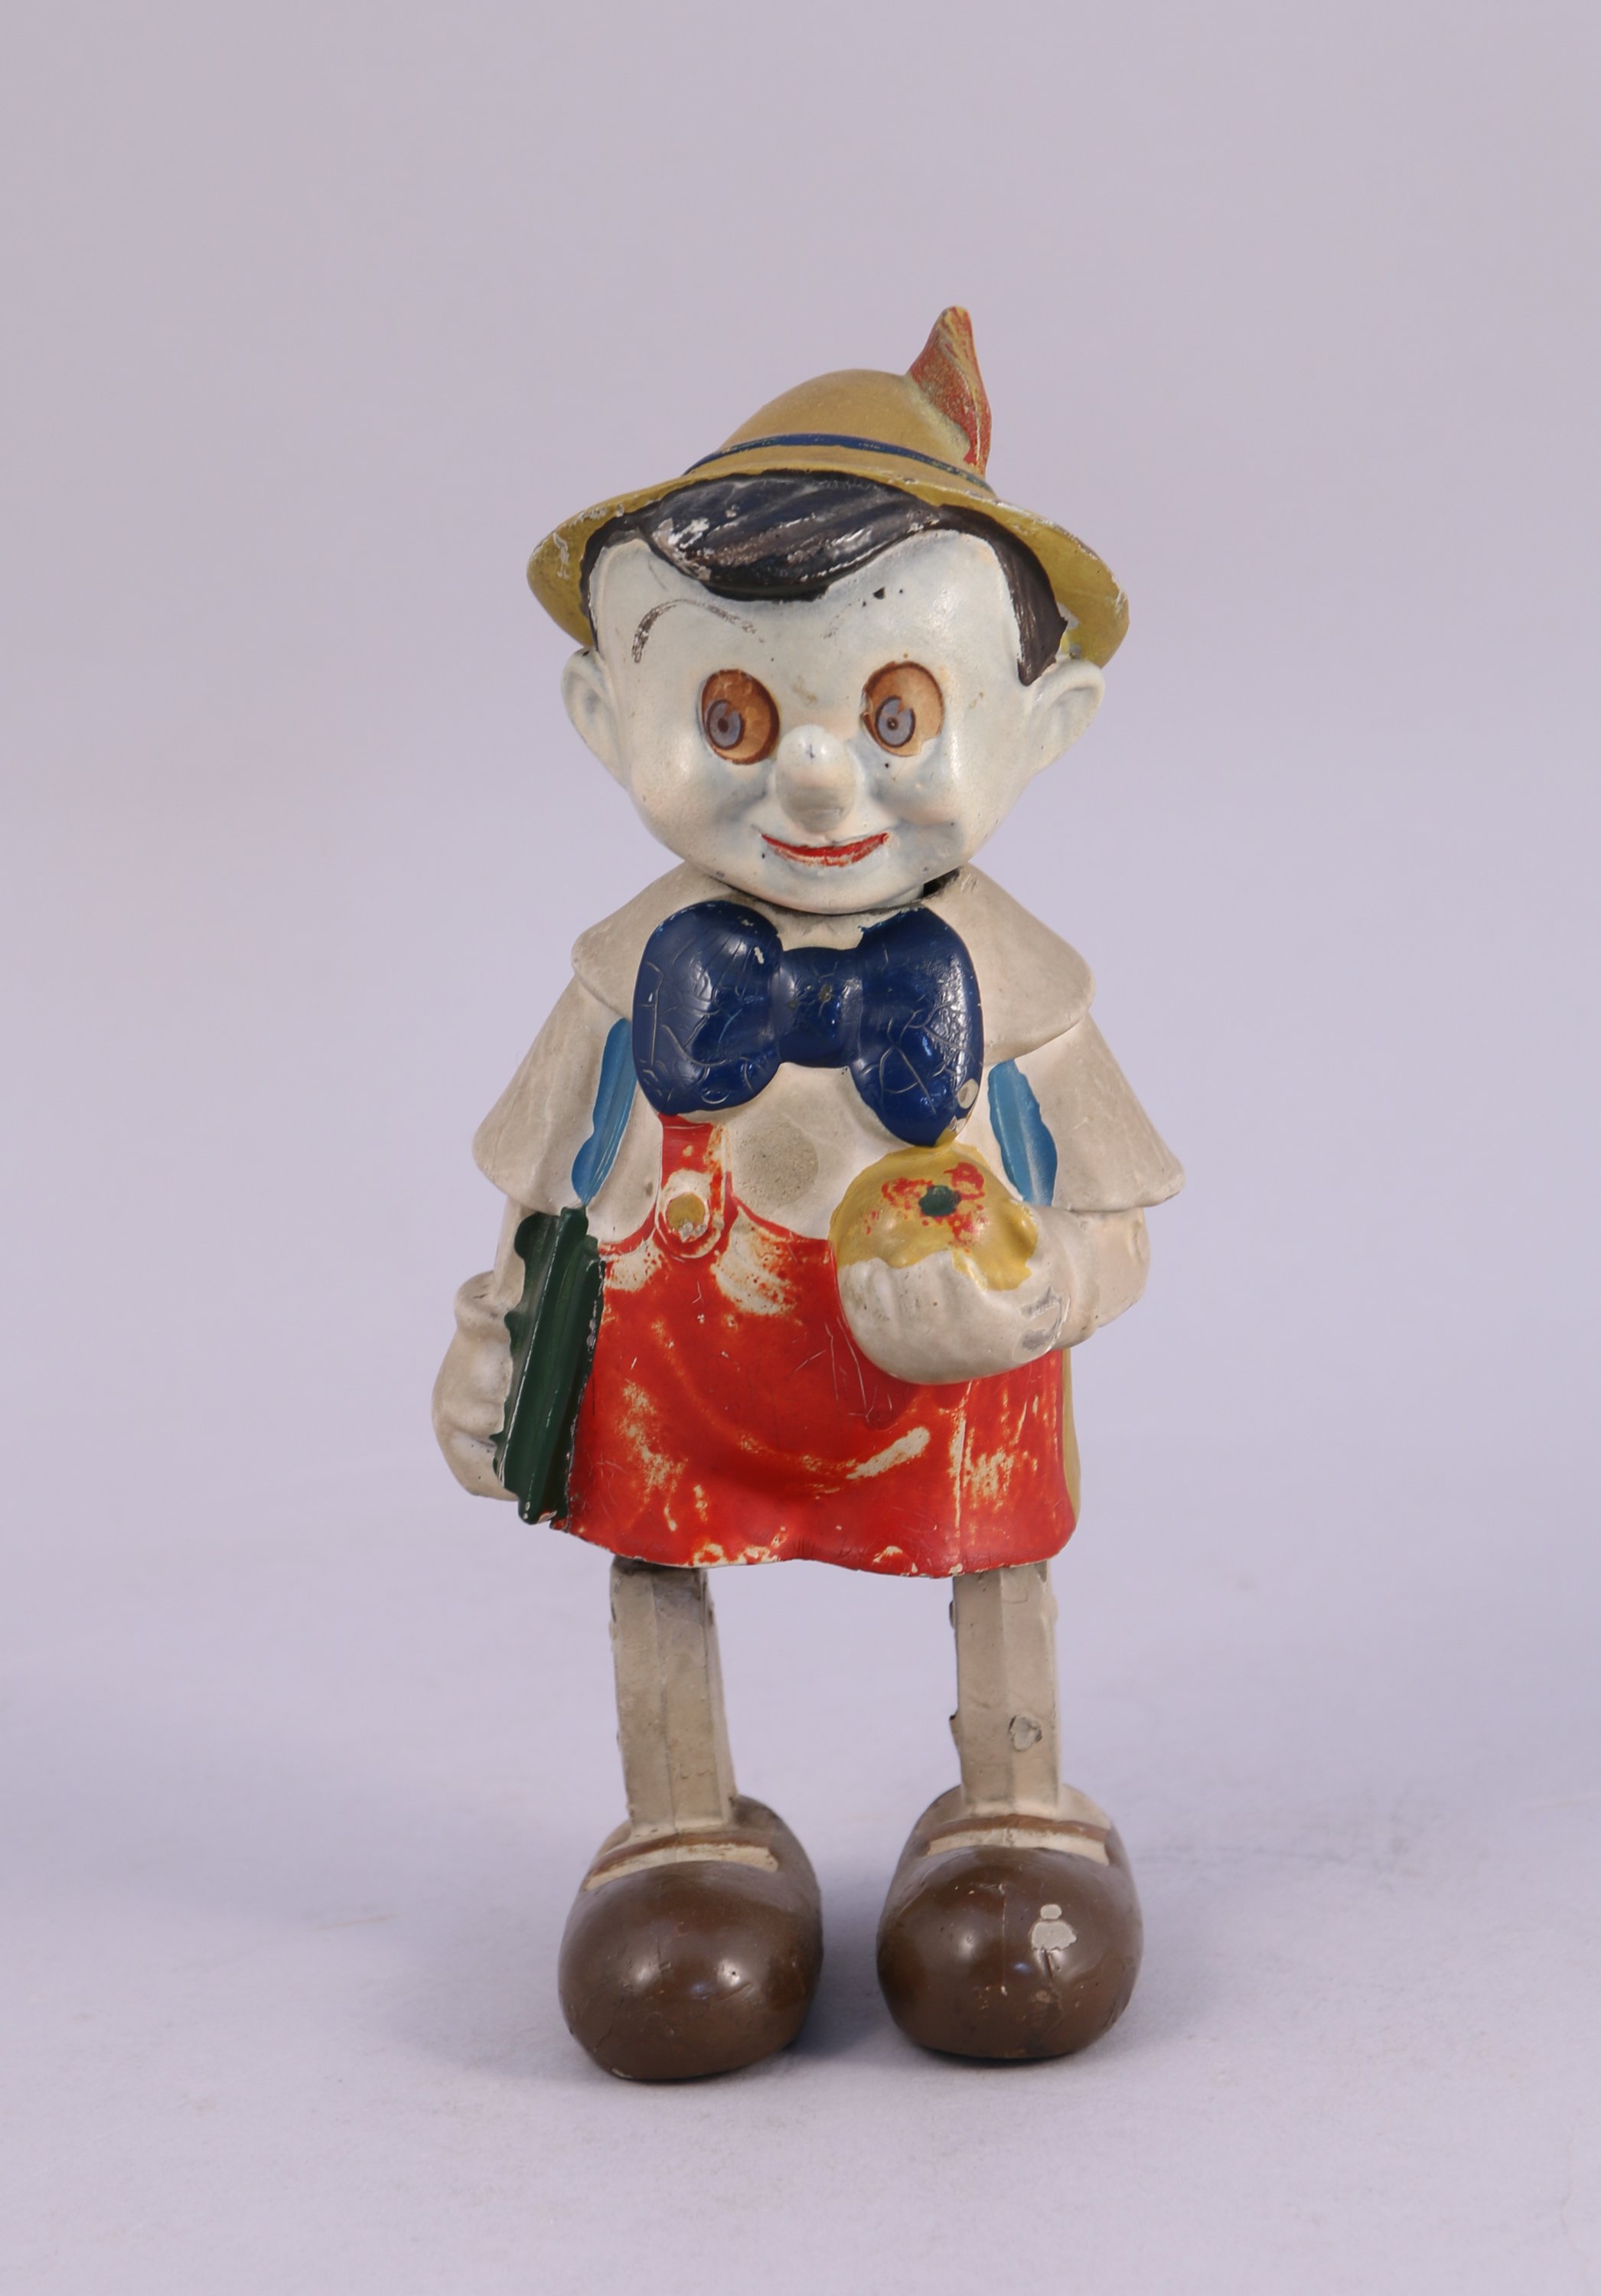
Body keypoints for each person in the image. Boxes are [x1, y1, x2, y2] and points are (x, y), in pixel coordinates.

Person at [434, 308, 1182, 2078]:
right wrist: (493, 1340)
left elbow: (1116, 1215)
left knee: (996, 1570)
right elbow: (544, 1194)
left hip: (946, 1378)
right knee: (652, 1567)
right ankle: (683, 1836)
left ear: (1043, 726)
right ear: (602, 714)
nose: (819, 774)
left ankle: (1010, 1811)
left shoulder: (1020, 996)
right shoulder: (623, 988)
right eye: (732, 713)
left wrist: (1044, 1291)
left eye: (895, 710)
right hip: (679, 1367)